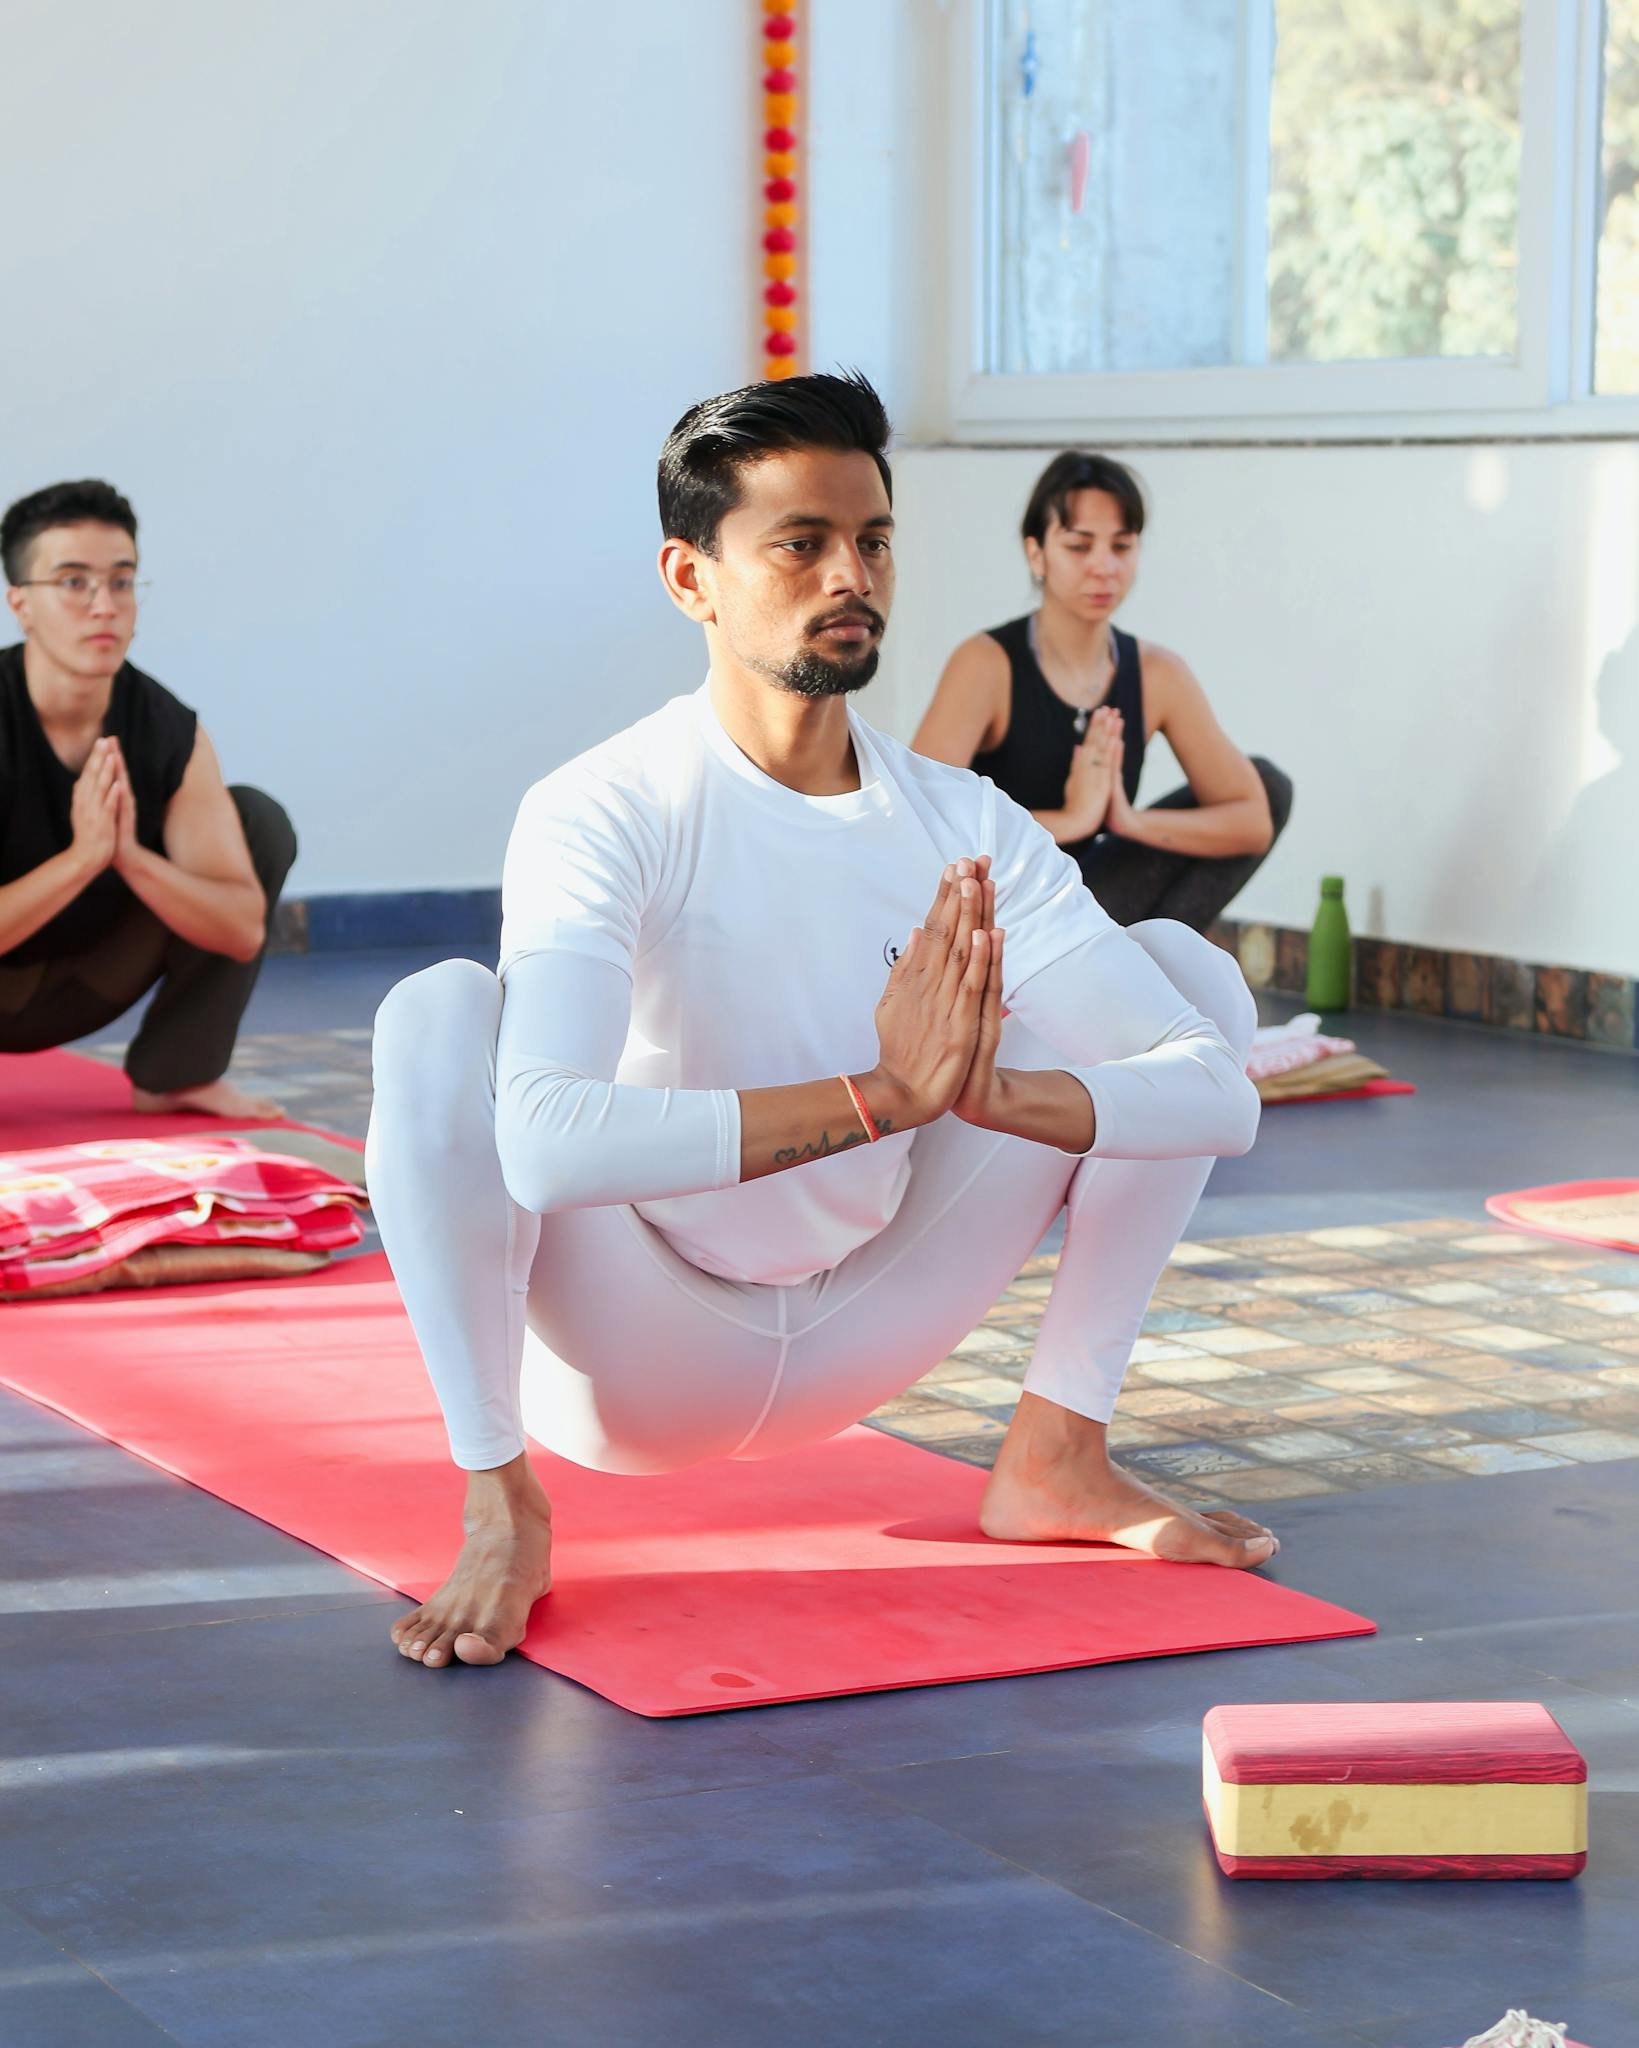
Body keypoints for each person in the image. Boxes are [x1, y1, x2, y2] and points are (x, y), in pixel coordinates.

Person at [367, 373, 1271, 1675]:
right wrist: (878, 1100)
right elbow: (548, 1148)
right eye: (799, 544)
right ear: (691, 580)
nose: (850, 574)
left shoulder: (958, 821)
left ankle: (1055, 1450)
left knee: (1186, 974)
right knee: (436, 1016)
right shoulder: (604, 805)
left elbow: (1214, 1094)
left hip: (871, 1308)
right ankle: (497, 1496)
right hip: (637, 1349)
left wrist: (977, 1094)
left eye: (873, 540)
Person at [0, 480, 295, 1118]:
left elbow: (242, 928)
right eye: (73, 583)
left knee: (256, 820)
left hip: (81, 984)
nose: (104, 605)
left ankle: (179, 1072)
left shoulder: (166, 728)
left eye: (122, 581)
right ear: (20, 603)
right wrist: (83, 859)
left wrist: (129, 856)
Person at [913, 450, 1292, 932]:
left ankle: (1139, 982)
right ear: (1037, 553)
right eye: (1079, 546)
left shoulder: (1158, 674)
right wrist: (1072, 820)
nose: (1103, 567)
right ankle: (1115, 984)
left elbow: (1253, 822)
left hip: (1092, 903)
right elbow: (919, 824)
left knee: (1269, 785)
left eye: (1121, 546)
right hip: (1005, 915)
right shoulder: (986, 665)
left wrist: (1128, 822)